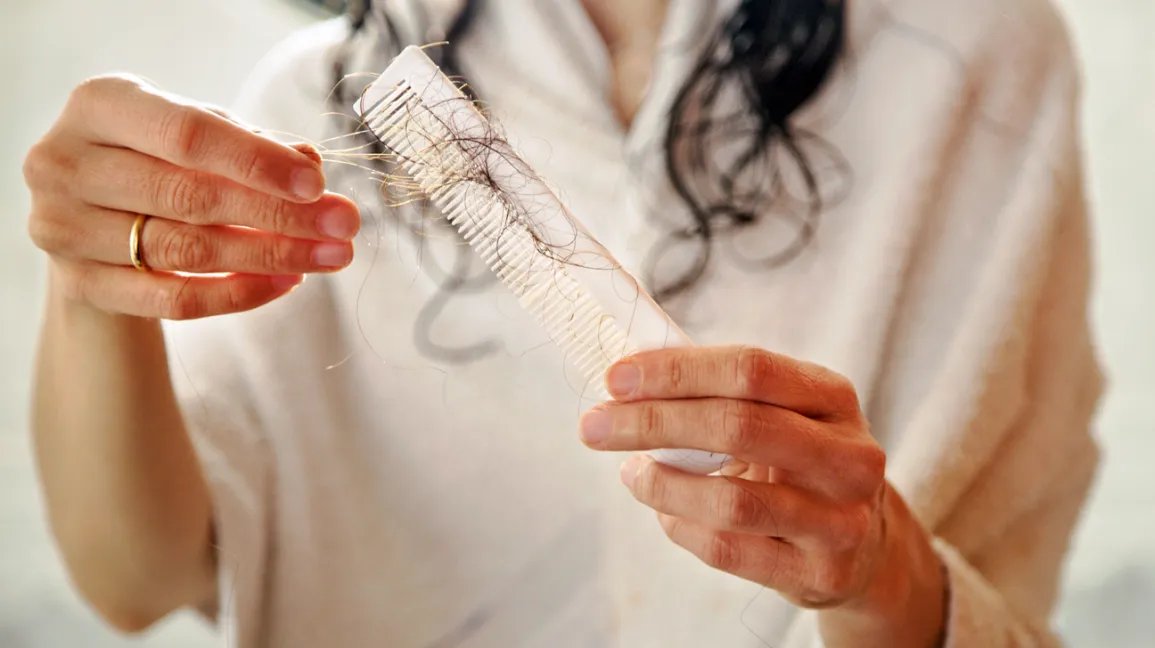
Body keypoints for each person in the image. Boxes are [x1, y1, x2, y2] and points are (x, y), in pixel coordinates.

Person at [23, 0, 1103, 646]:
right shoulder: (321, 100)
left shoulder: (972, 60)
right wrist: (90, 288)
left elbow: (996, 601)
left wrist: (885, 573)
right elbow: (138, 577)